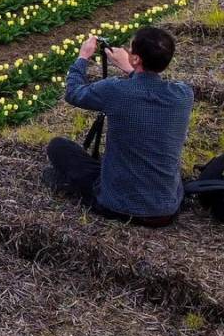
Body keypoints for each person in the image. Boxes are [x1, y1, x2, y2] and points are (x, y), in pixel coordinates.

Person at [42, 25, 193, 227]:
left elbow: (73, 92)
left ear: (136, 58)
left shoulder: (116, 90)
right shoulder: (183, 95)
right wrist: (132, 70)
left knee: (59, 147)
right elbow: (146, 89)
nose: (127, 51)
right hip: (165, 209)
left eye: (130, 49)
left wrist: (83, 56)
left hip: (117, 205)